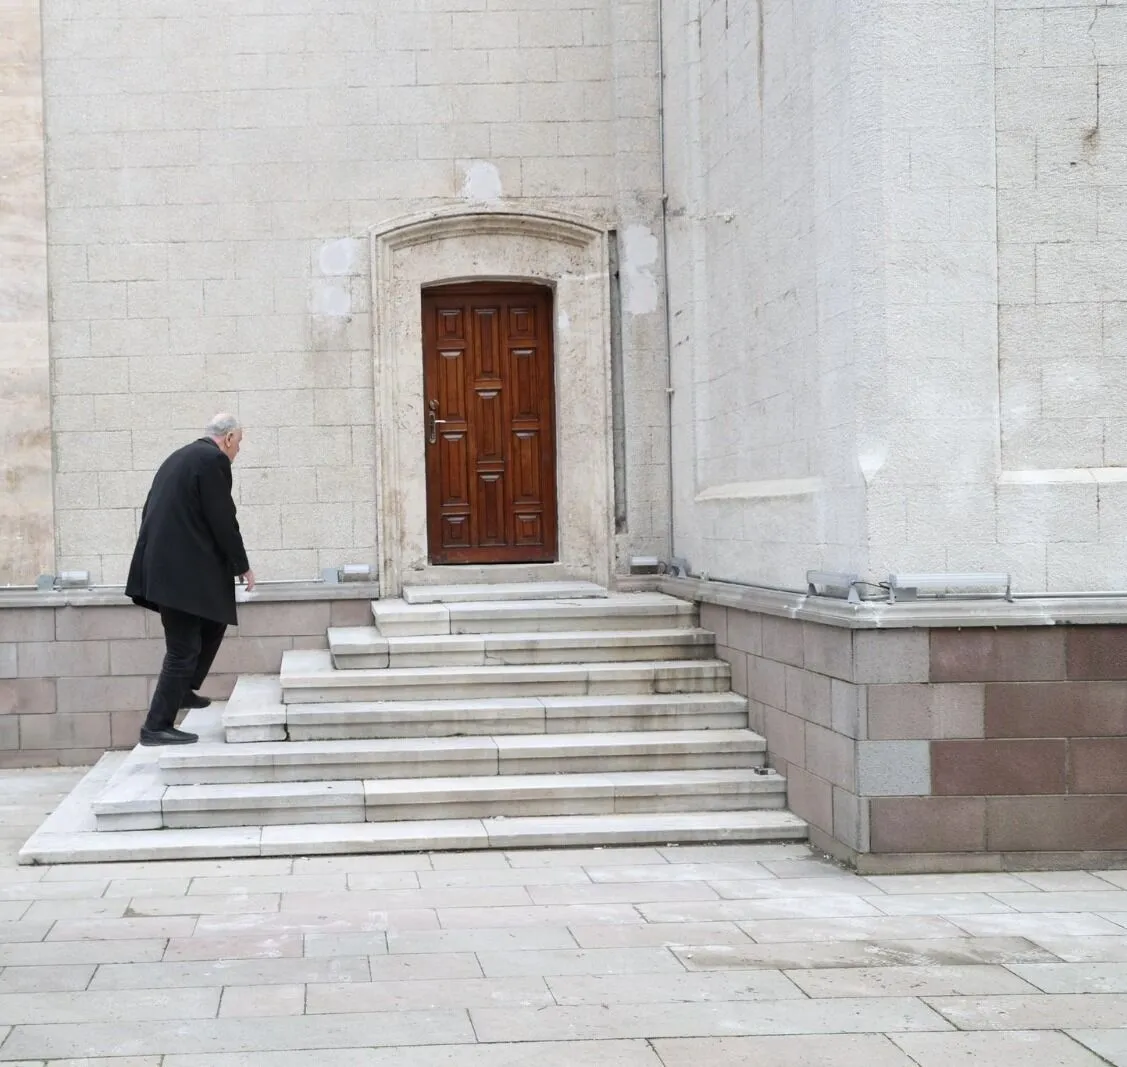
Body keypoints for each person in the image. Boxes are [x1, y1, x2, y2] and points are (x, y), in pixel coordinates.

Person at [125, 414, 255, 746]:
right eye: (238, 443)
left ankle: (183, 689)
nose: (237, 451)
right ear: (227, 439)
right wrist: (241, 563)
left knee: (214, 619)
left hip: (171, 571)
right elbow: (222, 516)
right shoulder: (212, 460)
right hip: (177, 575)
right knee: (182, 650)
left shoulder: (181, 457)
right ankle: (155, 727)